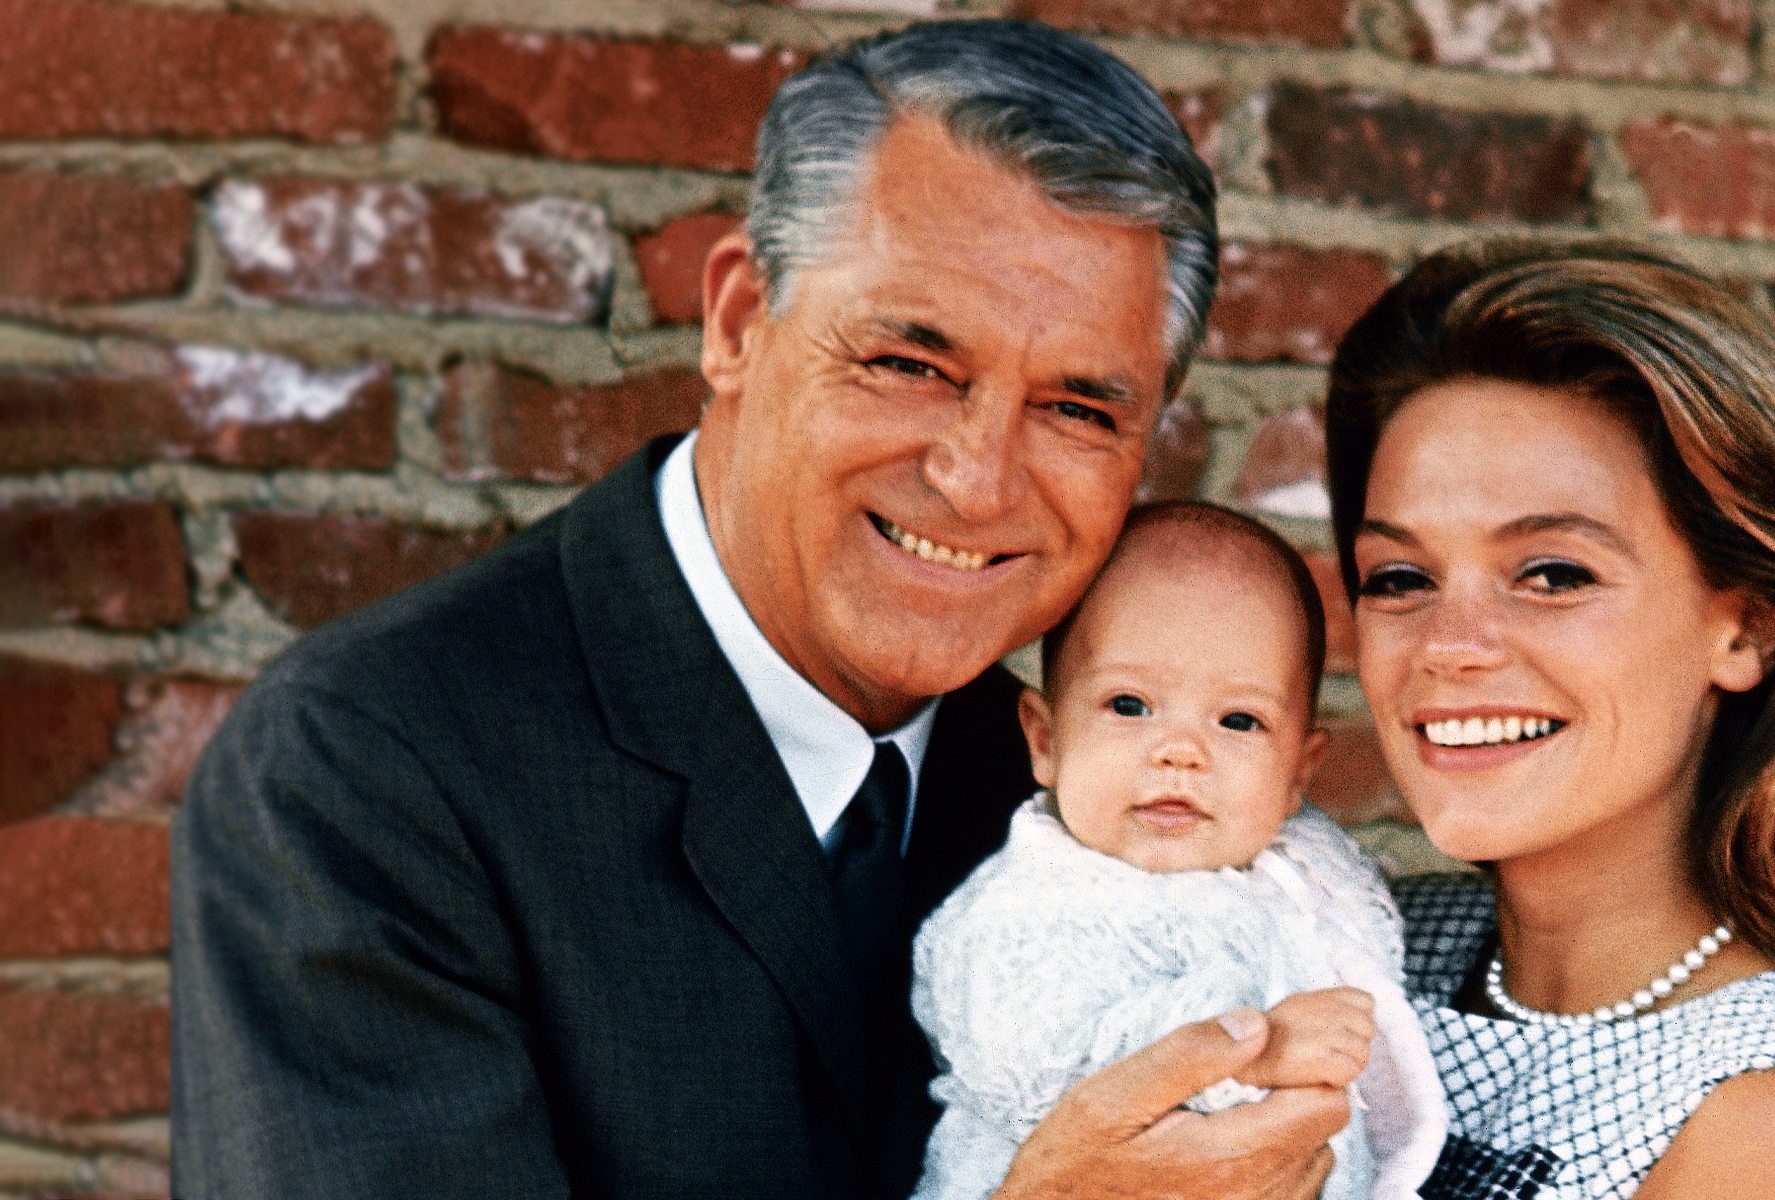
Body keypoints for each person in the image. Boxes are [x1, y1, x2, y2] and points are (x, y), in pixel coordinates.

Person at [170, 21, 1349, 1198]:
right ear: (737, 320)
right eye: (909, 362)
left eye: (1080, 410)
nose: (979, 479)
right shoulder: (366, 773)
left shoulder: (1101, 792)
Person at [1321, 241, 1775, 1199]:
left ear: (1744, 629)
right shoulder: (1362, 945)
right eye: (1401, 578)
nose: (1450, 646)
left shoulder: (1765, 1119)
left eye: (1553, 574)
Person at [910, 502, 1447, 1200]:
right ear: (1045, 740)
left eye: (1239, 721)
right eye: (1130, 705)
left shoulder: (1297, 870)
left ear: (1297, 774)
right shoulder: (1025, 908)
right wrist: (1258, 1051)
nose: (1181, 751)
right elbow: (1041, 1069)